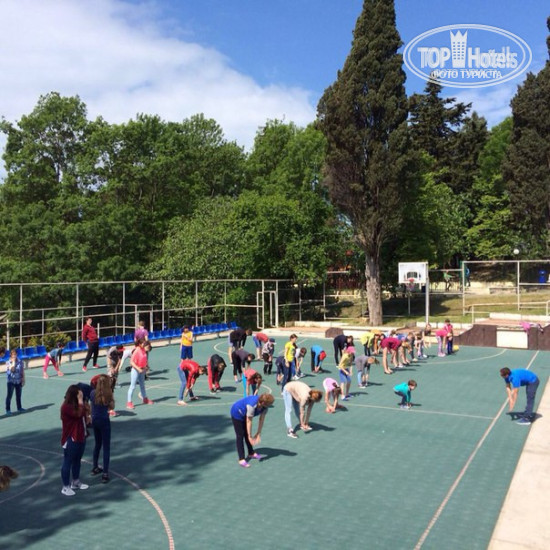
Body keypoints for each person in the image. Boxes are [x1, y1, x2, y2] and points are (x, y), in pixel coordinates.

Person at [230, 393, 274, 468]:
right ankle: (241, 459)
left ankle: (251, 453)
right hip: (237, 413)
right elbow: (249, 421)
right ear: (263, 403)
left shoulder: (265, 407)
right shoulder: (252, 405)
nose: (270, 405)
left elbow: (261, 419)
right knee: (240, 435)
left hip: (246, 414)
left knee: (247, 433)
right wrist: (250, 436)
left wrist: (258, 433)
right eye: (269, 404)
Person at [60, 384, 90, 496]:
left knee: (77, 460)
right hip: (71, 438)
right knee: (68, 461)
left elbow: (84, 414)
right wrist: (81, 401)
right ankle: (65, 486)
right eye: (79, 395)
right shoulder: (66, 407)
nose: (81, 396)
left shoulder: (77, 405)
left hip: (81, 436)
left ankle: (75, 481)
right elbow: (78, 414)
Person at [90, 375, 114, 483]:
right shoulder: (107, 394)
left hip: (95, 420)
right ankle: (105, 473)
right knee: (106, 447)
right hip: (104, 421)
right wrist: (111, 394)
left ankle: (95, 467)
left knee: (97, 444)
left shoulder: (92, 393)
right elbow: (111, 406)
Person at [126, 339, 154, 409]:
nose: (146, 346)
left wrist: (146, 367)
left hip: (142, 370)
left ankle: (145, 399)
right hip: (135, 370)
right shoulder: (137, 350)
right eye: (144, 344)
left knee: (142, 385)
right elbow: (131, 362)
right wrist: (138, 369)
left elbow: (144, 359)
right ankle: (129, 403)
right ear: (140, 344)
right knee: (132, 386)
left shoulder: (144, 350)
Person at [5, 349, 25, 415]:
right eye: (13, 355)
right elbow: (12, 370)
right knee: (9, 396)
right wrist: (13, 362)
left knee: (18, 395)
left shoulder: (20, 361)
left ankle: (19, 408)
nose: (14, 356)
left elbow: (22, 371)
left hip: (18, 381)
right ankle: (8, 410)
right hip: (11, 381)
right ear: (11, 355)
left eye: (15, 354)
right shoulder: (8, 362)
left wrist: (23, 379)